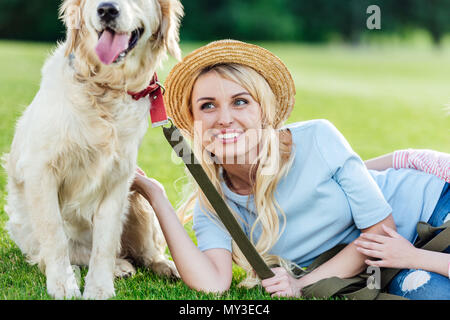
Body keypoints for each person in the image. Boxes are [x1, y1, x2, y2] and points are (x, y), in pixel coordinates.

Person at [132, 40, 449, 299]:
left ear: (264, 112)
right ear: (194, 123)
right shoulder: (215, 203)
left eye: (240, 101)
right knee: (431, 294)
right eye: (208, 105)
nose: (224, 118)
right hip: (387, 261)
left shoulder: (317, 139)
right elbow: (213, 283)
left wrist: (302, 284)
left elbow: (379, 233)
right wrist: (155, 196)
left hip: (432, 209)